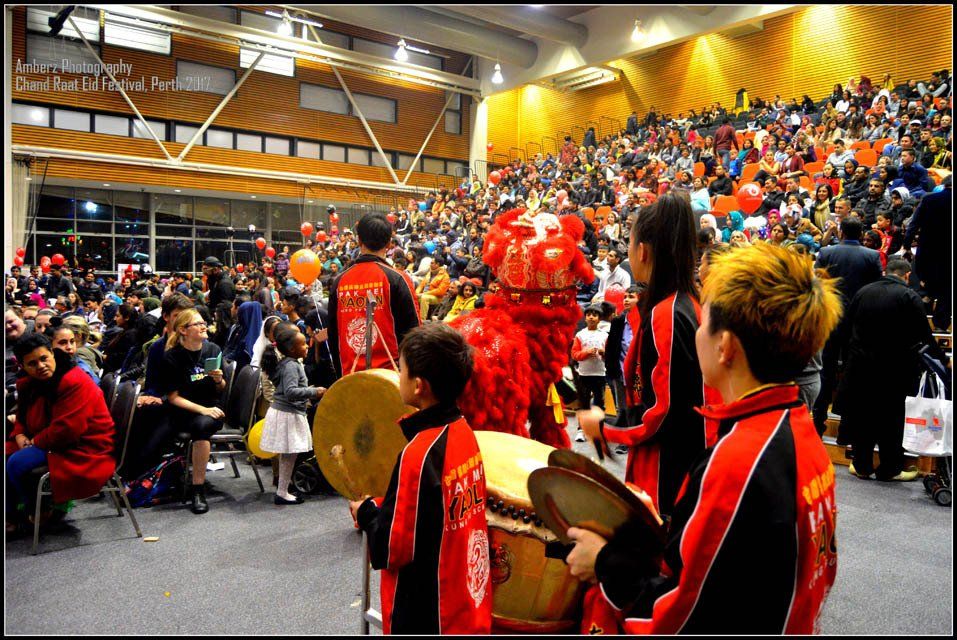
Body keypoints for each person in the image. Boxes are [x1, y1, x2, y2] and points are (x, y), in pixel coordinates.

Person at [566, 243, 841, 634]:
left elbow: (683, 616)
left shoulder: (738, 462)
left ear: (725, 346)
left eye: (703, 325)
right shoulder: (797, 428)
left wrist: (605, 563)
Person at [348, 323, 492, 634]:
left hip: (429, 608)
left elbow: (391, 547)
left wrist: (367, 511)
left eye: (401, 370)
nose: (397, 376)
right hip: (464, 595)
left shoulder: (419, 453)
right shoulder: (464, 431)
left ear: (418, 386)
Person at [582, 193, 719, 517]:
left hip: (668, 470)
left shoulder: (667, 314)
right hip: (680, 460)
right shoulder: (684, 303)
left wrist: (607, 430)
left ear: (642, 251)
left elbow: (666, 411)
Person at [836, 258, 951, 482]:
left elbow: (845, 328)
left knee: (863, 414)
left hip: (860, 366)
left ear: (886, 271)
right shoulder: (910, 296)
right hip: (895, 369)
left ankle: (861, 465)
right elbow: (924, 336)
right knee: (892, 419)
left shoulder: (863, 292)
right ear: (907, 275)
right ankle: (890, 468)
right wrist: (943, 360)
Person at [7, 334, 115, 533]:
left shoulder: (74, 380)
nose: (40, 366)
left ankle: (37, 513)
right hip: (48, 437)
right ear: (23, 366)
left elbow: (68, 430)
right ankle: (13, 515)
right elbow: (22, 413)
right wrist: (20, 435)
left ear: (53, 354)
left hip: (82, 445)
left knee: (16, 463)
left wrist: (34, 441)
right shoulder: (29, 382)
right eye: (32, 363)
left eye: (44, 358)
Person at [813, 217, 883, 437]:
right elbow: (875, 288)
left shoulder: (826, 252)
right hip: (858, 321)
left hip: (831, 318)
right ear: (861, 233)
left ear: (841, 232)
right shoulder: (871, 255)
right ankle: (846, 428)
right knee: (853, 374)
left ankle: (817, 422)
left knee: (826, 371)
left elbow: (816, 283)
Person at [328, 213, 420, 377]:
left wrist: (340, 376)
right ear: (389, 243)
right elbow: (414, 334)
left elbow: (333, 337)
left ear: (359, 240)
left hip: (349, 379)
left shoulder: (339, 282)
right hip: (390, 381)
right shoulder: (398, 279)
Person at [159, 309, 226, 514]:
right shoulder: (172, 357)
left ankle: (198, 489)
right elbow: (173, 397)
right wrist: (202, 409)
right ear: (183, 330)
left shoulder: (213, 349)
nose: (204, 326)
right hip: (186, 409)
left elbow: (221, 388)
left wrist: (218, 380)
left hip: (211, 409)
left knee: (201, 427)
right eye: (197, 324)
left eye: (203, 322)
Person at [260, 324, 325, 504]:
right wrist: (314, 391)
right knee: (289, 456)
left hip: (284, 412)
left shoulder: (286, 363)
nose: (307, 347)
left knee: (288, 456)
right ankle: (282, 492)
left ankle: (283, 488)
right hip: (288, 413)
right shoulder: (291, 366)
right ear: (291, 349)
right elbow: (290, 391)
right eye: (303, 344)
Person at [903, 175, 952, 331]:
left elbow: (913, 225)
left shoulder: (929, 199)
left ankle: (920, 322)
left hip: (928, 252)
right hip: (949, 253)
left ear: (943, 186)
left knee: (926, 287)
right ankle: (940, 326)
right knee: (946, 290)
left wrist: (907, 246)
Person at [572, 304, 609, 443]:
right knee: (584, 403)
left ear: (599, 319)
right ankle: (581, 430)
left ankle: (598, 430)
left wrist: (604, 353)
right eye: (589, 315)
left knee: (599, 403)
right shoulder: (580, 335)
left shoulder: (605, 336)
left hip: (600, 374)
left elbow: (609, 356)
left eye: (595, 315)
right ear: (585, 317)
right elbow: (574, 354)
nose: (591, 317)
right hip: (584, 374)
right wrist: (586, 353)